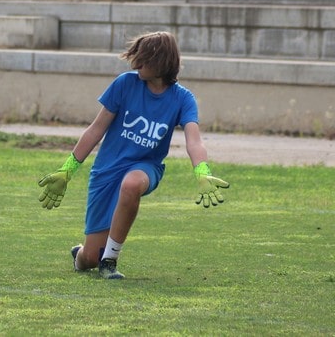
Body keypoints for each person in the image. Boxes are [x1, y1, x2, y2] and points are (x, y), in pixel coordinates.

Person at [37, 31, 230, 279]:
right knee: (88, 259)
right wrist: (68, 169)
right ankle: (84, 255)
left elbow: (194, 140)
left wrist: (202, 171)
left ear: (160, 63)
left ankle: (110, 261)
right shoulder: (124, 83)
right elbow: (96, 129)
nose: (136, 64)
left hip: (145, 167)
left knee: (132, 184)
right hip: (106, 172)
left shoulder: (183, 98)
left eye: (143, 59)